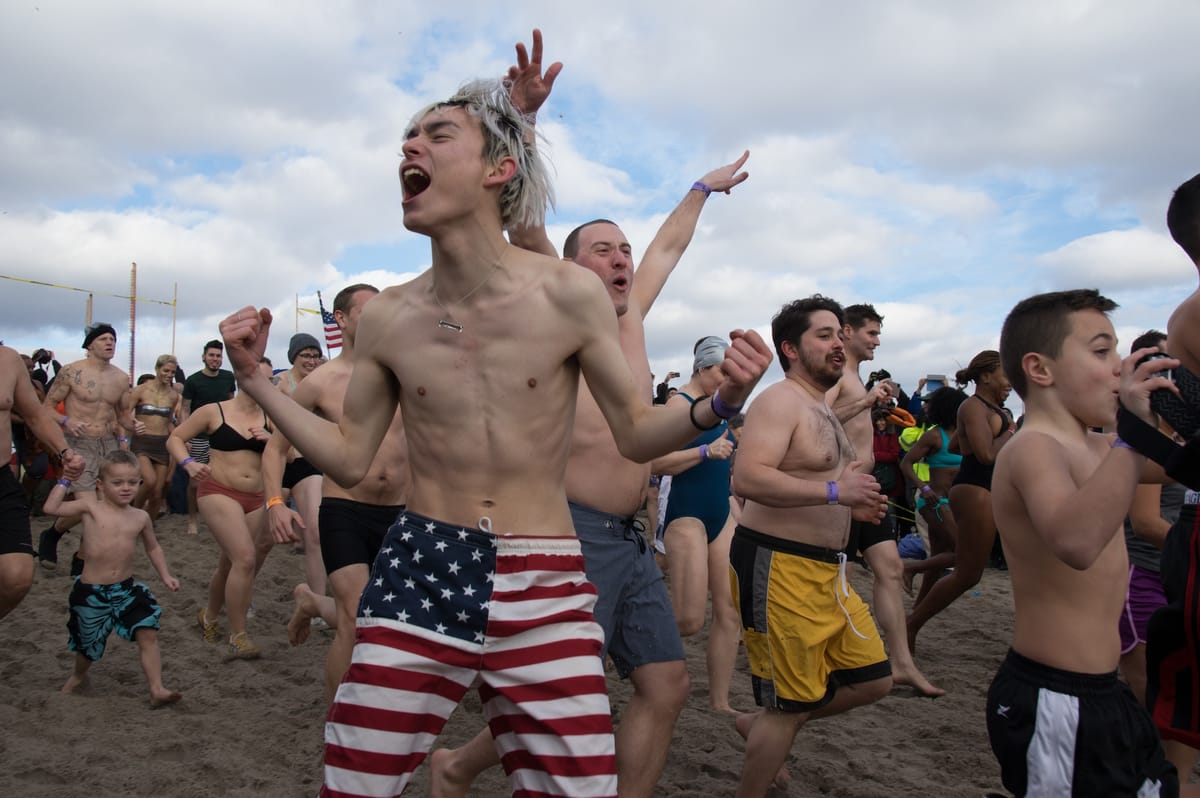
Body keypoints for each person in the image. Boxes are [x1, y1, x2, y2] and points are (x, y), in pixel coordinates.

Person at [219, 69, 770, 797]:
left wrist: (722, 401)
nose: (410, 145)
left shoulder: (566, 294)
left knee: (575, 787)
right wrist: (257, 381)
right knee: (356, 780)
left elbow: (637, 434)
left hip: (543, 570)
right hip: (423, 562)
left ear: (498, 169)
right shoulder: (388, 315)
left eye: (436, 133)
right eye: (408, 138)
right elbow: (348, 457)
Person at [986, 289, 1188, 796]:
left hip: (1103, 694)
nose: (1120, 368)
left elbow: (1186, 467)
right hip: (1055, 695)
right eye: (1102, 352)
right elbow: (1076, 542)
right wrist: (1133, 437)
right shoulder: (1032, 449)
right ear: (1040, 369)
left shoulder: (1100, 445)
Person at [729, 295, 891, 797]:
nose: (838, 343)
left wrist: (852, 503)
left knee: (873, 679)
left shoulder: (820, 406)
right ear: (791, 349)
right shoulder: (779, 400)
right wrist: (835, 492)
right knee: (790, 706)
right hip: (777, 566)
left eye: (839, 333)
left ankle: (760, 726)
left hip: (827, 571)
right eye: (824, 335)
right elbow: (747, 477)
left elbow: (823, 476)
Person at [261, 283, 411, 704]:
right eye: (369, 310)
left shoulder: (407, 371)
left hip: (404, 511)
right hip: (345, 509)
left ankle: (310, 603)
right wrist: (275, 502)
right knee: (353, 615)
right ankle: (338, 720)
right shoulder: (321, 382)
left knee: (388, 616)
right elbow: (275, 449)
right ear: (341, 320)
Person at [826, 303, 942, 696]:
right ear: (847, 331)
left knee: (890, 569)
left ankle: (902, 663)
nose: (877, 341)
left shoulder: (856, 377)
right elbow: (815, 418)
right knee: (836, 576)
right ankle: (833, 656)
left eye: (878, 334)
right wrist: (866, 401)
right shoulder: (836, 373)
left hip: (868, 485)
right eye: (871, 333)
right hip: (841, 490)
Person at [43, 450, 181, 707]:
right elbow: (50, 508)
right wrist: (66, 479)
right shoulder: (90, 508)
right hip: (91, 592)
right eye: (117, 483)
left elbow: (153, 548)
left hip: (127, 590)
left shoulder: (140, 516)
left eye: (132, 482)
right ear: (100, 485)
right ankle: (78, 675)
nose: (126, 488)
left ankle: (157, 688)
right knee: (88, 646)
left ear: (140, 483)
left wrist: (165, 575)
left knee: (147, 632)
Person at [652, 335, 742, 712]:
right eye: (722, 371)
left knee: (729, 611)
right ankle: (626, 638)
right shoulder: (679, 404)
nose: (727, 380)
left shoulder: (718, 409)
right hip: (684, 512)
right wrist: (705, 451)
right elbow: (654, 463)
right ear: (703, 368)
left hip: (720, 512)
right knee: (688, 619)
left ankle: (719, 702)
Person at [906, 350, 1014, 650]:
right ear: (986, 375)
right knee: (968, 573)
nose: (1011, 381)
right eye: (1006, 374)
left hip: (983, 489)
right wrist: (1015, 430)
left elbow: (956, 443)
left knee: (964, 567)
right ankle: (910, 623)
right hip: (974, 490)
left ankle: (912, 617)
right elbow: (986, 454)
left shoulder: (994, 408)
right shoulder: (973, 407)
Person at [167, 359, 274, 661]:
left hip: (256, 496)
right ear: (243, 379)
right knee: (245, 558)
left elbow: (291, 455)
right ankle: (238, 635)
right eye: (260, 379)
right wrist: (188, 463)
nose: (266, 386)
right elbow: (175, 437)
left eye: (270, 381)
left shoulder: (272, 415)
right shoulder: (215, 411)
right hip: (218, 491)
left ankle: (209, 616)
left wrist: (274, 440)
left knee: (230, 564)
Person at [37, 323, 136, 572]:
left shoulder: (121, 378)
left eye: (112, 339)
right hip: (79, 444)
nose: (109, 343)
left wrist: (134, 425)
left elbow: (123, 416)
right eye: (103, 338)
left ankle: (80, 559)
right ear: (90, 344)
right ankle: (54, 536)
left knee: (107, 506)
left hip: (108, 444)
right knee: (91, 507)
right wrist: (67, 420)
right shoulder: (72, 372)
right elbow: (46, 408)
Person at [0, 346, 84, 619]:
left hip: (1, 477)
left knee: (17, 577)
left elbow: (35, 415)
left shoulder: (8, 360)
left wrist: (65, 452)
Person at [899, 386, 967, 606]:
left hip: (954, 503)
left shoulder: (963, 435)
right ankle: (909, 567)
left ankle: (917, 613)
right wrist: (924, 488)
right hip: (934, 502)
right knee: (963, 553)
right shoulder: (934, 435)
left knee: (936, 560)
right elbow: (906, 463)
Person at [276, 332, 327, 588]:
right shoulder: (279, 382)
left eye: (316, 355)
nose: (311, 360)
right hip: (278, 461)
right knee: (262, 541)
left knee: (315, 533)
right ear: (293, 357)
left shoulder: (321, 383)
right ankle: (243, 597)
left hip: (308, 462)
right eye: (305, 355)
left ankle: (317, 598)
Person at [180, 340, 236, 536]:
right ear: (204, 357)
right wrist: (185, 435)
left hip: (222, 436)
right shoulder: (193, 380)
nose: (215, 359)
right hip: (199, 436)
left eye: (218, 356)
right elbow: (185, 409)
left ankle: (220, 516)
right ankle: (192, 519)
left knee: (223, 478)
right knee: (195, 481)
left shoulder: (229, 377)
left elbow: (231, 403)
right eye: (211, 355)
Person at [125, 354, 181, 524]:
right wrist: (132, 424)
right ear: (157, 369)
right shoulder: (141, 390)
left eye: (172, 372)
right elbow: (124, 414)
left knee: (158, 491)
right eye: (166, 370)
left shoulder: (173, 396)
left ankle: (147, 524)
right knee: (149, 480)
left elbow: (169, 421)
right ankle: (133, 514)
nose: (169, 374)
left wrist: (180, 436)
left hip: (162, 442)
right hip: (142, 441)